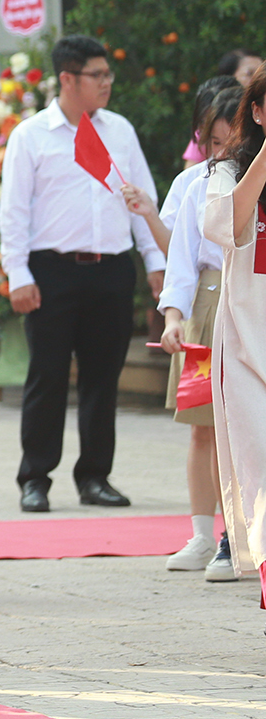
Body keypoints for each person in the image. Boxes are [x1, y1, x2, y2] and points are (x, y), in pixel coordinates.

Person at [0, 34, 165, 512]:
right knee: (47, 376)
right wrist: (18, 274)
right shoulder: (31, 135)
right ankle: (35, 478)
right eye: (98, 75)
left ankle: (95, 476)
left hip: (111, 270)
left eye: (108, 74)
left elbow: (142, 201)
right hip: (52, 271)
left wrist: (155, 263)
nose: (107, 83)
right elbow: (14, 213)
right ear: (67, 79)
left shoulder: (120, 131)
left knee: (102, 377)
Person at [138, 80, 244, 579]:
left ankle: (236, 537)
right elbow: (179, 262)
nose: (223, 154)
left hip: (247, 303)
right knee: (203, 428)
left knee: (242, 429)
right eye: (214, 144)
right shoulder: (193, 184)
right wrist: (173, 317)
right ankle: (205, 534)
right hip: (205, 306)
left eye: (233, 143)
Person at [204, 71, 266, 589]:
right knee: (261, 470)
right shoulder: (227, 172)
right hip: (247, 346)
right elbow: (227, 224)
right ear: (258, 112)